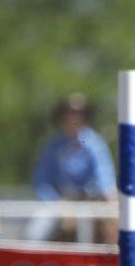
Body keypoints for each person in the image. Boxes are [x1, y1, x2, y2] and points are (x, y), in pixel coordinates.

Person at [29, 93, 116, 242]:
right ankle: (32, 264)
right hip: (60, 202)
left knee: (119, 232)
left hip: (92, 201)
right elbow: (42, 181)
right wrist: (57, 203)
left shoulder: (95, 144)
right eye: (69, 113)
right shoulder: (53, 146)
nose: (74, 117)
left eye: (79, 113)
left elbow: (104, 177)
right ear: (61, 116)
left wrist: (105, 196)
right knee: (33, 234)